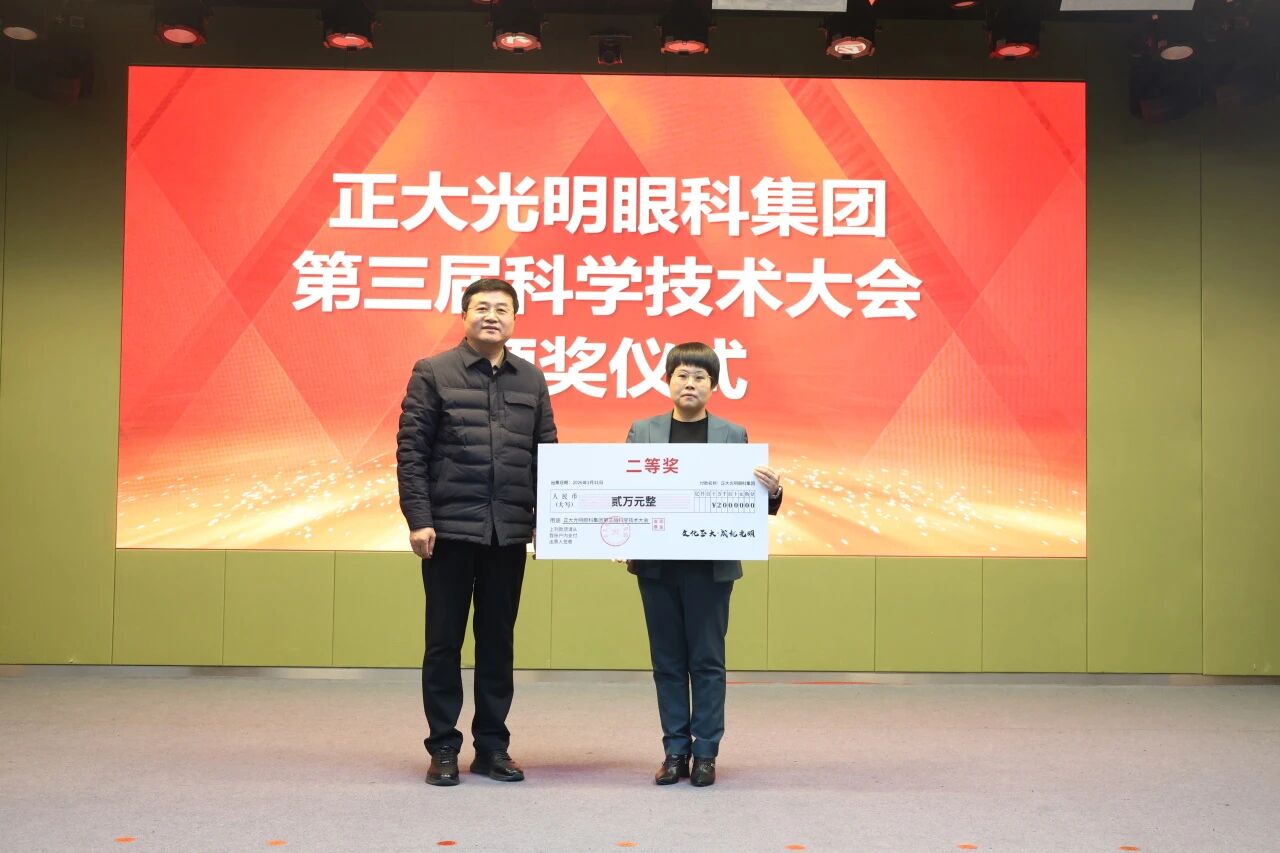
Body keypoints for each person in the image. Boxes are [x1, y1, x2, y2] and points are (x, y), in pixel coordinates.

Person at [396, 278, 557, 787]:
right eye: (482, 307)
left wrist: (550, 522)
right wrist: (419, 518)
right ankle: (443, 746)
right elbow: (412, 452)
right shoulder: (433, 372)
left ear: (515, 320)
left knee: (497, 643)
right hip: (448, 532)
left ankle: (492, 747)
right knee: (443, 643)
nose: (492, 316)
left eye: (502, 309)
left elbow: (547, 456)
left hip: (507, 534)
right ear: (464, 316)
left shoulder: (531, 378)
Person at [625, 342, 783, 787]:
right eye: (682, 375)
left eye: (700, 377)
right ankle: (675, 751)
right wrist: (618, 533)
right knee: (667, 662)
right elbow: (622, 491)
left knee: (708, 661)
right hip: (657, 566)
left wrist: (771, 491)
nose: (690, 383)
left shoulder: (733, 435)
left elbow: (748, 503)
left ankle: (707, 752)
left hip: (710, 567)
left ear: (713, 386)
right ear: (667, 381)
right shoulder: (643, 431)